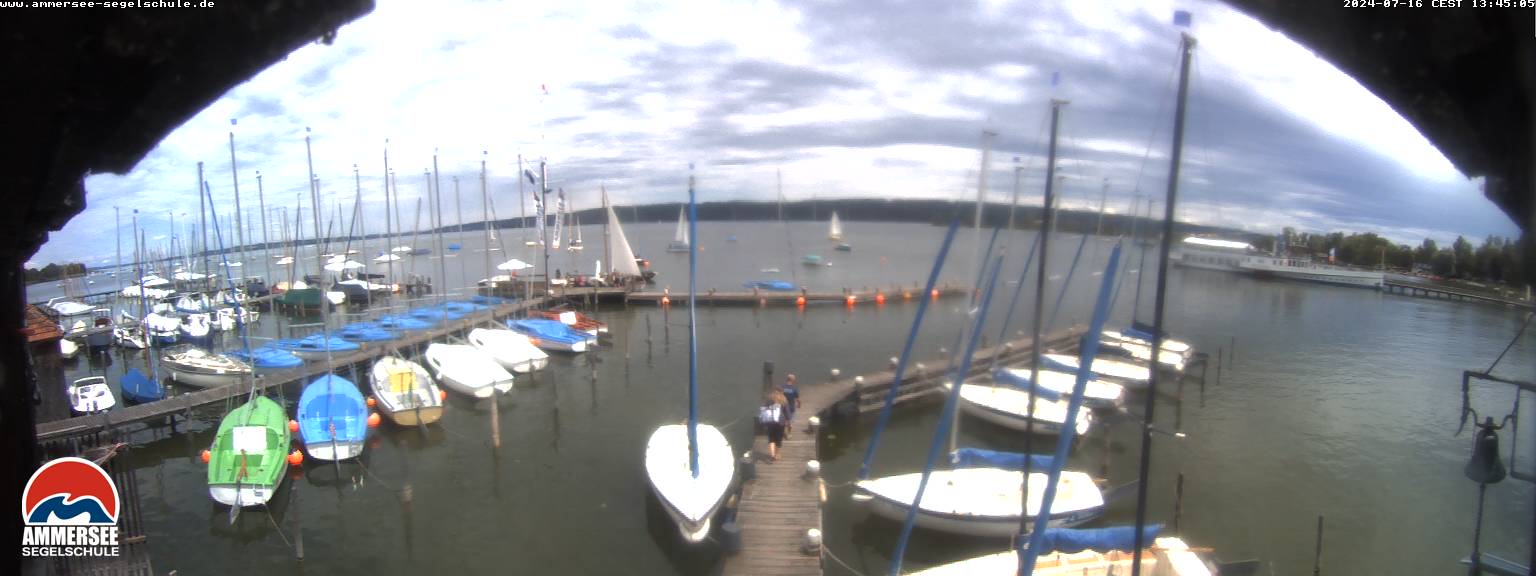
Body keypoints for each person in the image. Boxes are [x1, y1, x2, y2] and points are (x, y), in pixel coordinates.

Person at [759, 389, 789, 462]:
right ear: (781, 392)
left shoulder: (769, 400)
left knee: (771, 438)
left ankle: (772, 455)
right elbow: (787, 413)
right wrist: (788, 421)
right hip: (780, 423)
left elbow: (764, 410)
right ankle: (776, 454)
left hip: (770, 422)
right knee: (778, 439)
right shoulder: (783, 399)